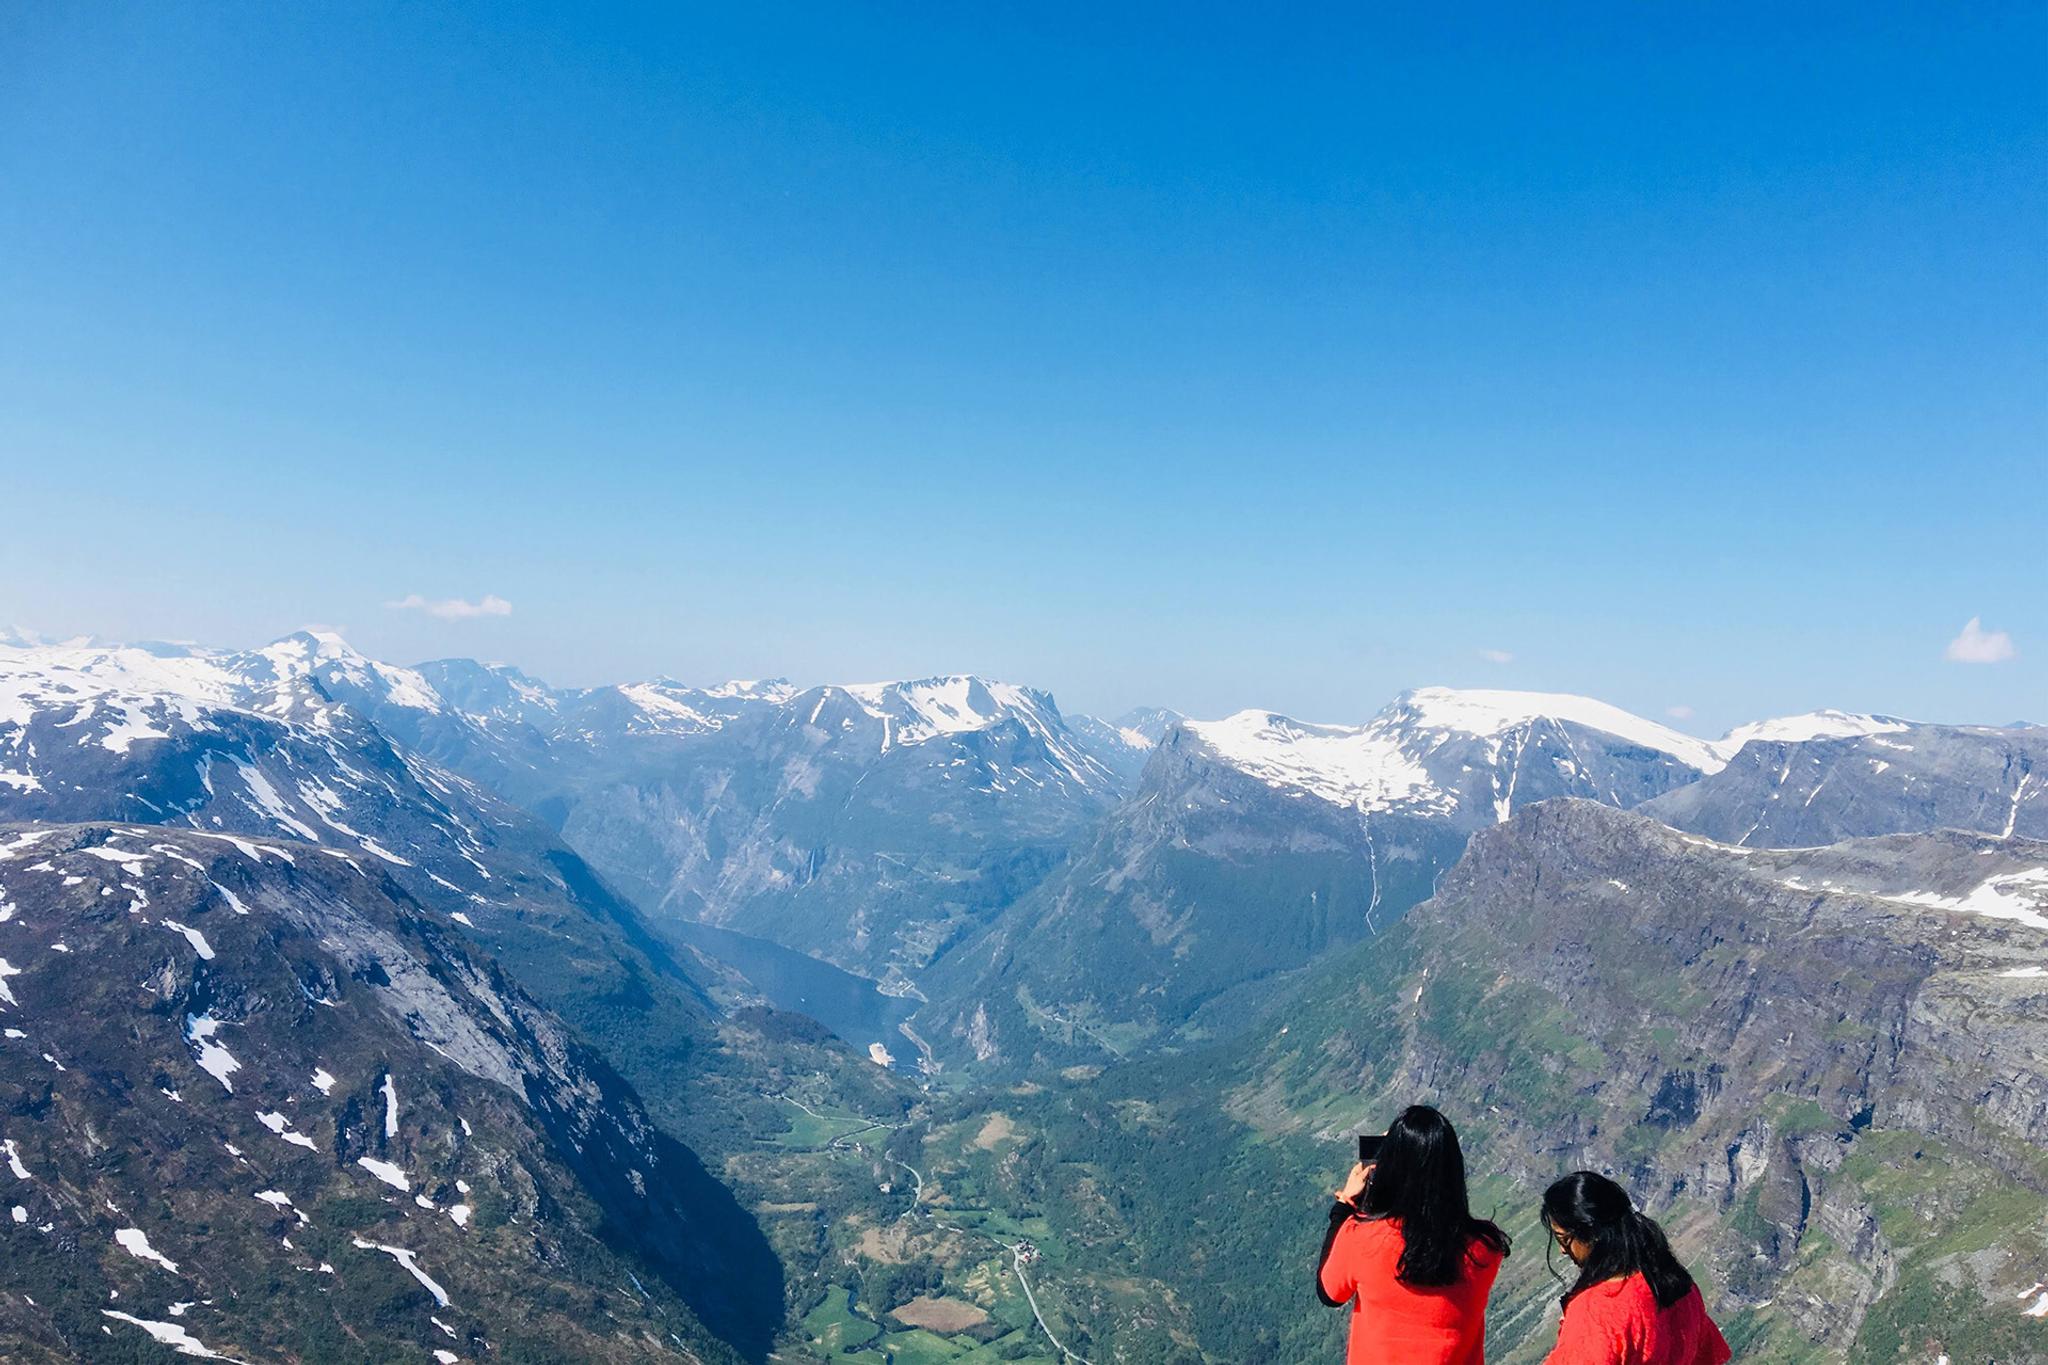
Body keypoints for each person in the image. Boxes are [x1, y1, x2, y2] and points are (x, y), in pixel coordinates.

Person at [1315, 1105, 1511, 1364]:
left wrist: (1346, 1206)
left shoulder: (1362, 1239)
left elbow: (1328, 1293)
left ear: (1391, 1170)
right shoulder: (1485, 1248)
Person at [1538, 1171, 1732, 1365]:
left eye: (1563, 1239)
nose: (1562, 1250)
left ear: (1592, 1234)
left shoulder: (1596, 1311)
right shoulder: (1679, 1285)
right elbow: (1707, 1356)